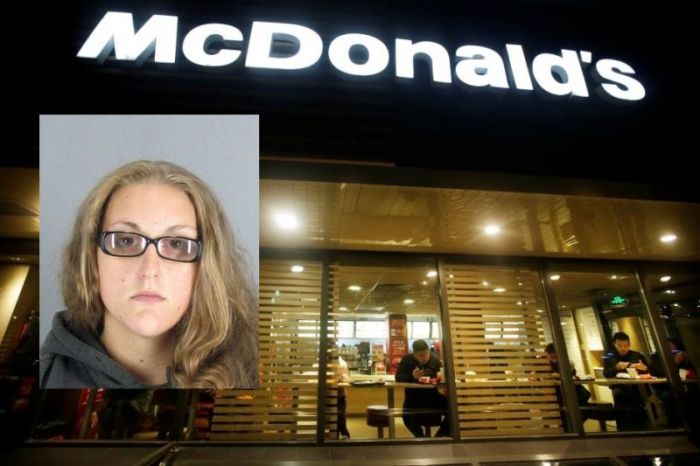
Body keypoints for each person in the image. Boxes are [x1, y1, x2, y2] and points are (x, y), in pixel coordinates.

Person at [40, 161, 258, 388]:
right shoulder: (43, 376)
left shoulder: (250, 376)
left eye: (177, 243)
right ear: (91, 257)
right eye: (125, 241)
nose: (150, 271)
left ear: (206, 265)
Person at [395, 340, 450, 438]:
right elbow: (398, 377)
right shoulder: (407, 360)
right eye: (420, 355)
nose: (424, 358)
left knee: (453, 408)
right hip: (413, 397)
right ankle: (421, 438)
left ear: (428, 351)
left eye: (426, 354)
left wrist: (440, 377)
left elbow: (441, 375)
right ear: (414, 354)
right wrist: (412, 376)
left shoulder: (434, 359)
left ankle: (439, 437)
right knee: (407, 416)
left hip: (433, 396)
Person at [603, 331, 655, 431]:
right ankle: (623, 430)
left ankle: (643, 427)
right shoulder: (609, 356)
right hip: (619, 387)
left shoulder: (637, 355)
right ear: (615, 345)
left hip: (638, 387)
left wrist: (644, 368)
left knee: (640, 397)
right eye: (620, 345)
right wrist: (616, 367)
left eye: (626, 345)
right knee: (619, 396)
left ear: (629, 344)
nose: (623, 348)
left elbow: (651, 371)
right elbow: (606, 374)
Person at [336, 355, 351, 439]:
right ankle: (342, 432)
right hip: (330, 394)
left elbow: (347, 378)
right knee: (339, 414)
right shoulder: (320, 361)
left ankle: (341, 432)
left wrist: (342, 378)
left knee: (340, 414)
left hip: (340, 393)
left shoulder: (342, 363)